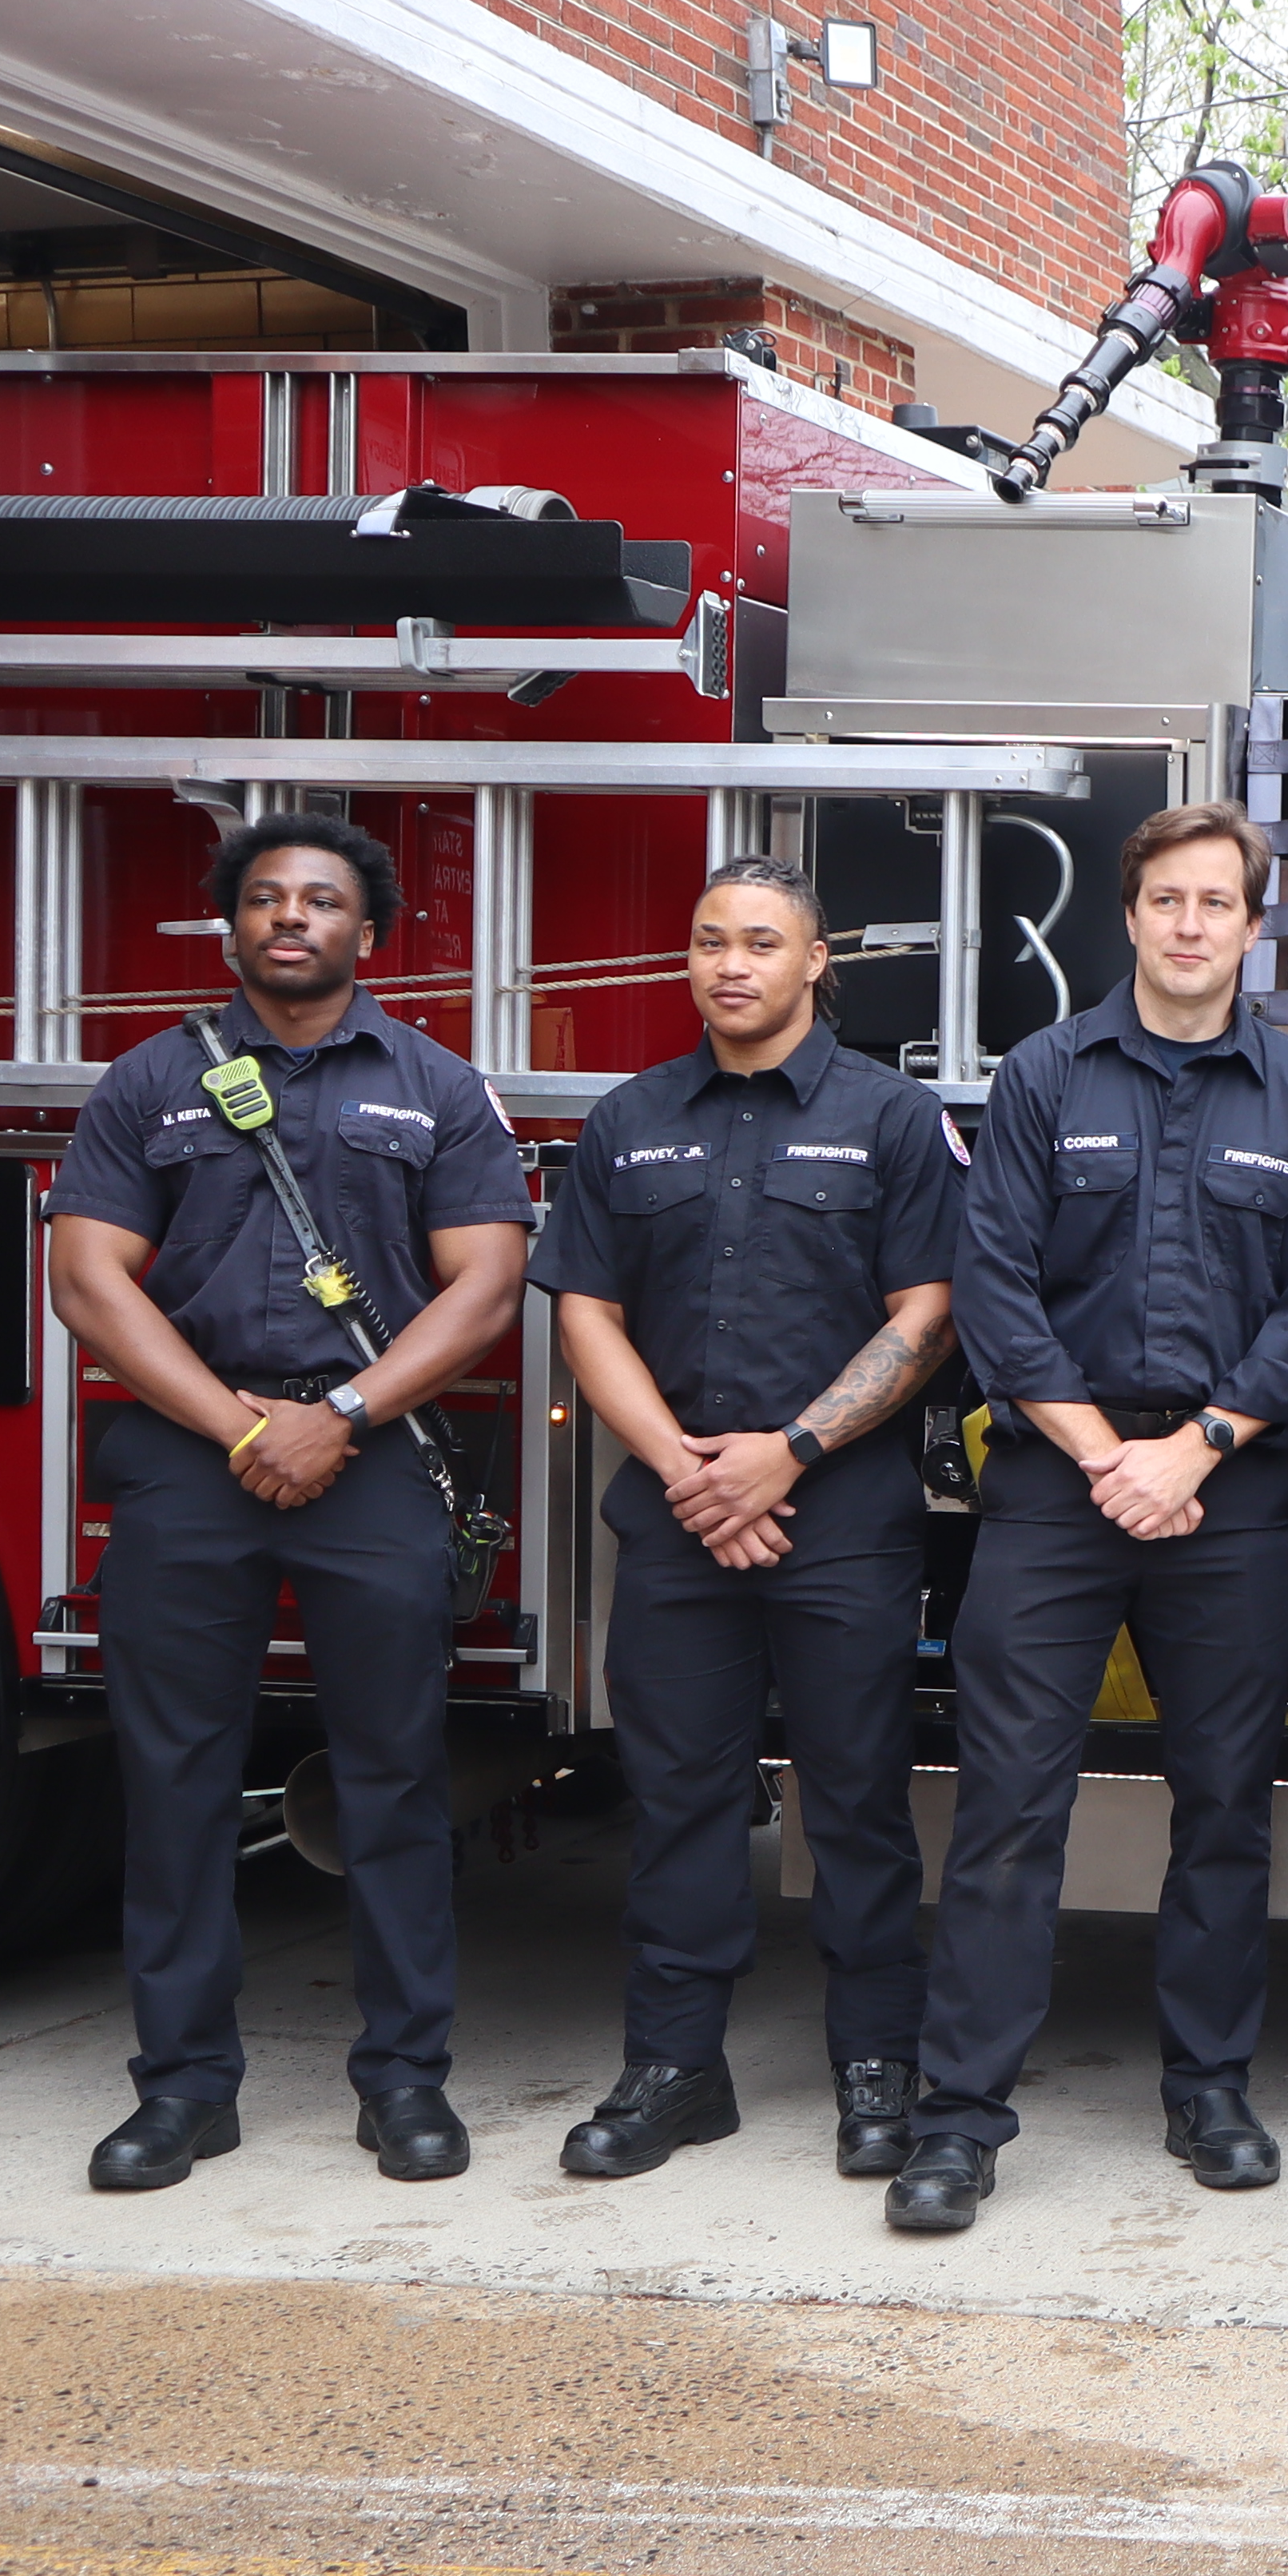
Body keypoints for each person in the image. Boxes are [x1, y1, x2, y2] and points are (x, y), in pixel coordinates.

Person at [886, 800, 1288, 2233]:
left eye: (1216, 903)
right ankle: (959, 2121)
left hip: (1230, 1495)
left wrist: (1196, 1452)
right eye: (1166, 899)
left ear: (1251, 924)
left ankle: (1209, 2090)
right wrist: (1112, 1458)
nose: (1188, 925)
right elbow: (998, 1291)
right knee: (1007, 1809)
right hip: (1056, 1487)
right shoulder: (1042, 1075)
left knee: (1225, 1810)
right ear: (1132, 912)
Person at [45, 812, 533, 2189]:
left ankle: (405, 2085)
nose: (291, 919)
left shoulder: (434, 1087)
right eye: (265, 900)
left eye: (321, 900)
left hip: (368, 1463)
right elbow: (90, 1280)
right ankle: (186, 2090)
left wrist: (342, 1418)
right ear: (234, 927)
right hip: (194, 1467)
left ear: (367, 933)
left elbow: (485, 1287)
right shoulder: (150, 1083)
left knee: (391, 1782)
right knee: (178, 1786)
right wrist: (243, 1426)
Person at [538, 858, 963, 2184]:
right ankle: (676, 2071)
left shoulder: (890, 1119)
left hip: (842, 1524)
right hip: (677, 1522)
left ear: (816, 961)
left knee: (857, 1805)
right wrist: (689, 1471)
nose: (732, 964)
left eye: (762, 942)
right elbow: (583, 1313)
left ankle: (878, 2069)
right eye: (710, 940)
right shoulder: (630, 1121)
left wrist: (784, 1456)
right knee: (678, 1804)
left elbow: (930, 1316)